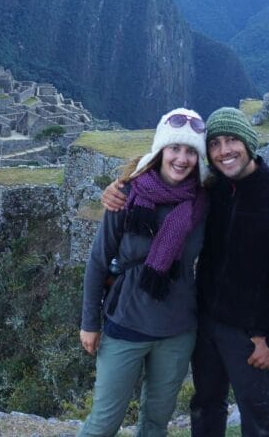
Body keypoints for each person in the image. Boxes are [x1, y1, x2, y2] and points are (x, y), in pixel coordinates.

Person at [101, 107, 269, 436]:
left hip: (253, 334)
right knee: (205, 407)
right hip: (205, 326)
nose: (224, 151)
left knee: (257, 419)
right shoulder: (212, 191)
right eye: (215, 144)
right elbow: (157, 180)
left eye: (232, 141)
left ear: (249, 142)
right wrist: (115, 189)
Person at [79, 107, 210, 437]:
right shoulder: (126, 195)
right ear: (160, 150)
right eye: (175, 148)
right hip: (125, 324)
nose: (182, 159)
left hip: (177, 331)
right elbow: (98, 260)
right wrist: (89, 323)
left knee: (155, 424)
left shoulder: (205, 203)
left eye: (191, 151)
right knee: (103, 423)